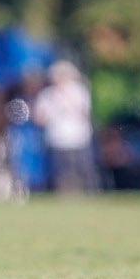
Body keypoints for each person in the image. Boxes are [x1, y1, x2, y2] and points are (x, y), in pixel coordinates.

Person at [33, 60, 99, 192]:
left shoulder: (79, 91)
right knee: (61, 172)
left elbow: (85, 113)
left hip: (78, 138)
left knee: (84, 169)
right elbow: (38, 118)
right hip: (57, 139)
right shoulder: (47, 95)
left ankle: (90, 193)